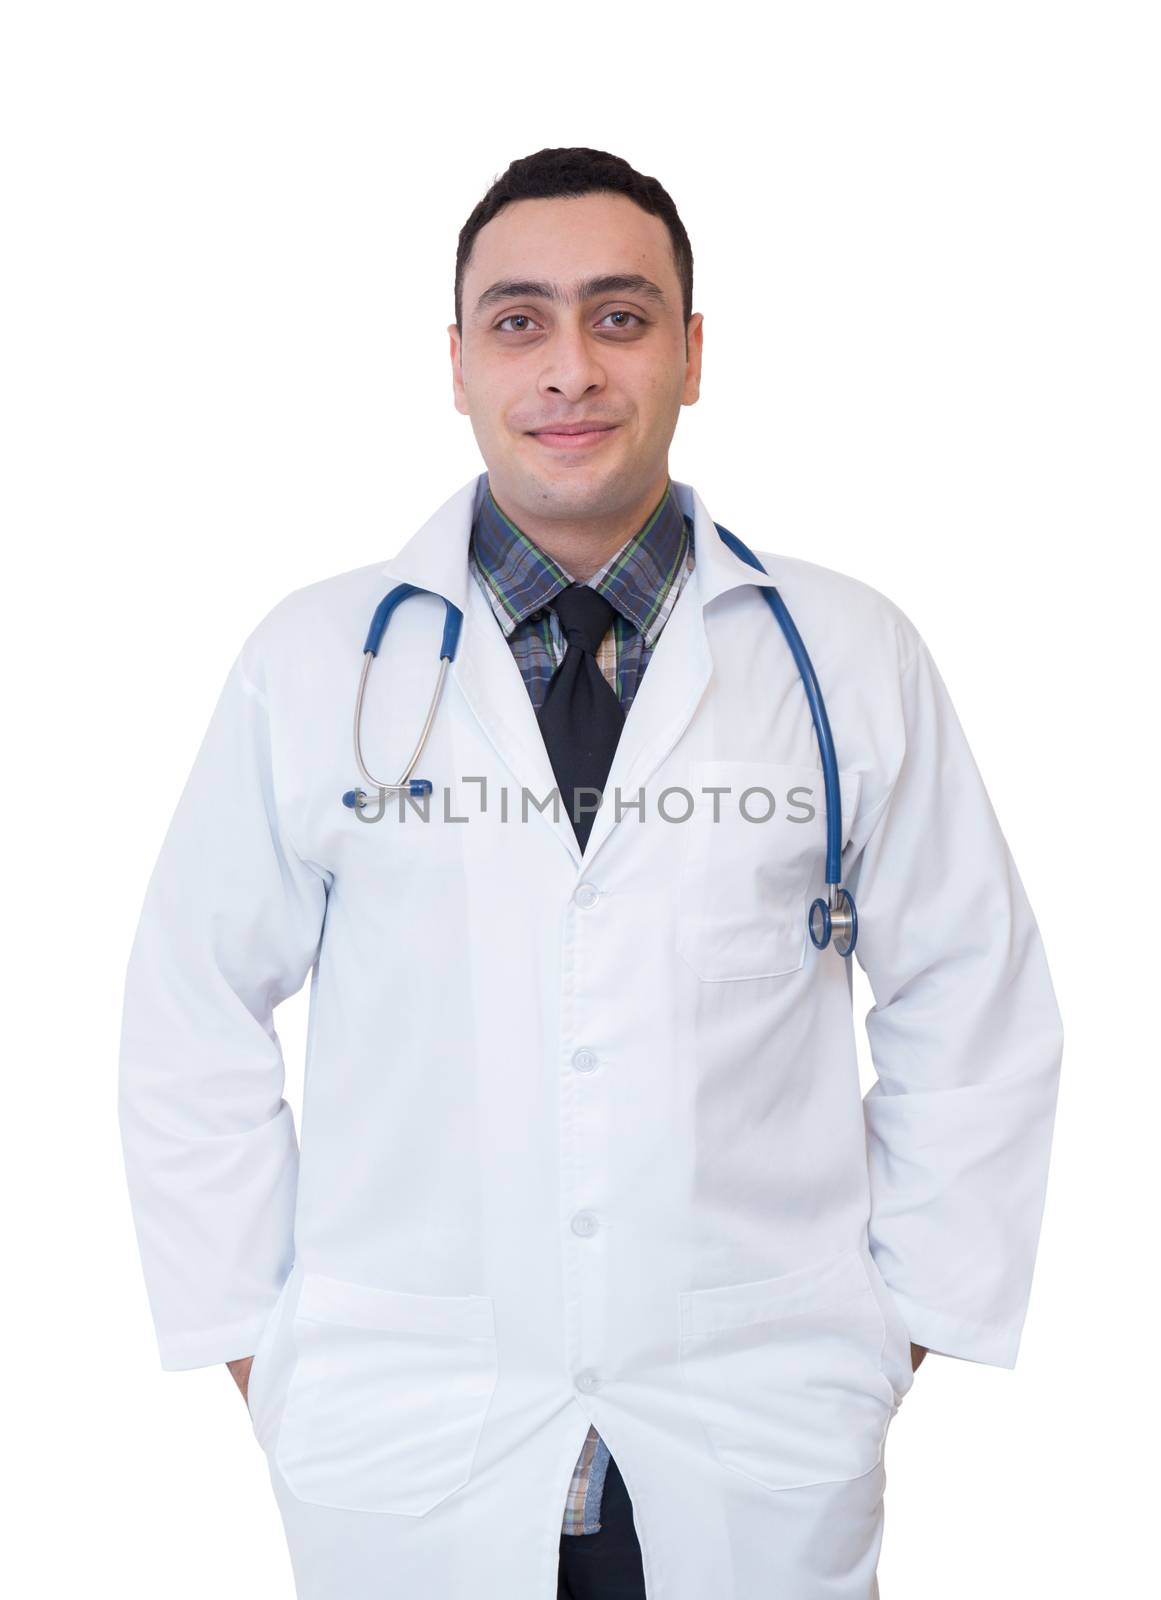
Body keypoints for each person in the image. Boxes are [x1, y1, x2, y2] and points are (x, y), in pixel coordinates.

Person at [117, 146, 1064, 1600]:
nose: (569, 368)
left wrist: (893, 1334)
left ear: (691, 354)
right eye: (519, 321)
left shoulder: (847, 657)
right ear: (454, 364)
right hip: (407, 1440)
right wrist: (269, 1349)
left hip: (752, 1425)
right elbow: (189, 1016)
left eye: (619, 319)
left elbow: (971, 1002)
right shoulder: (312, 665)